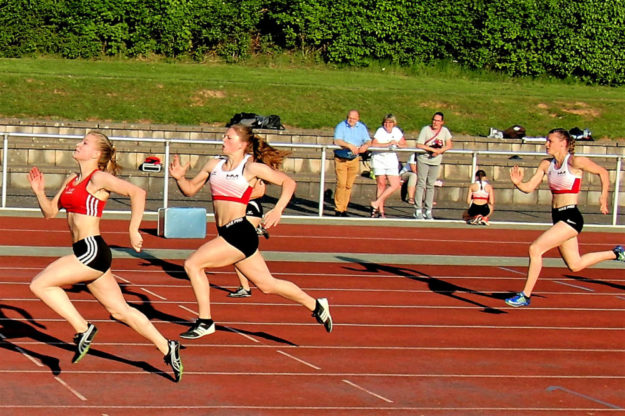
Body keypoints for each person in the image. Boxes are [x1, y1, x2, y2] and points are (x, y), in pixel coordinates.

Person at [27, 131, 183, 382]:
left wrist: (133, 229)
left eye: (85, 143)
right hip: (85, 252)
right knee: (120, 311)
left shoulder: (98, 178)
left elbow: (138, 193)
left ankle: (83, 328)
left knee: (40, 284)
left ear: (96, 154)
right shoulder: (72, 178)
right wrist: (39, 191)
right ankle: (168, 347)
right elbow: (49, 213)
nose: (78, 145)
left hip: (92, 250)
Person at [169, 124, 333, 338]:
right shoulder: (213, 165)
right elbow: (190, 190)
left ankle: (205, 321)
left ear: (242, 145)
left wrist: (278, 209)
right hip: (226, 232)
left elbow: (288, 182)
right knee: (267, 285)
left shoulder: (251, 168)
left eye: (228, 138)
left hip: (239, 232)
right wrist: (180, 178)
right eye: (224, 137)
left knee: (192, 264)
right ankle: (316, 305)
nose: (223, 140)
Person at [505, 128, 624, 307]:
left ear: (563, 143)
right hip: (558, 217)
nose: (546, 144)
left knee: (535, 249)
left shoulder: (575, 161)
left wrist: (603, 197)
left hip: (571, 217)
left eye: (549, 141)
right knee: (575, 265)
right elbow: (529, 188)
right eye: (546, 141)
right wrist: (518, 183)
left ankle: (525, 295)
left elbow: (603, 172)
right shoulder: (546, 164)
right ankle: (617, 253)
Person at [414, 112, 453, 220]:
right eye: (434, 120)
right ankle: (418, 209)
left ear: (442, 122)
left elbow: (449, 144)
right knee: (421, 183)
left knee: (431, 184)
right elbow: (419, 144)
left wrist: (440, 151)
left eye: (437, 121)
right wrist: (432, 150)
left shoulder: (445, 131)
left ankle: (428, 209)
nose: (435, 122)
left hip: (435, 161)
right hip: (424, 159)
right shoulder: (425, 129)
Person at [333, 109, 371, 216]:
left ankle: (344, 208)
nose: (351, 120)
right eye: (350, 118)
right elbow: (337, 140)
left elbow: (368, 140)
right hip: (341, 158)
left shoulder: (361, 127)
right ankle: (338, 208)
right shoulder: (341, 126)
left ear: (358, 119)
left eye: (354, 119)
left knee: (349, 185)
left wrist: (366, 146)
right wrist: (349, 145)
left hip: (354, 159)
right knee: (341, 184)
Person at [369, 114, 407, 218]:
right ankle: (380, 212)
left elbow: (404, 144)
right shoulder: (380, 131)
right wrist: (387, 144)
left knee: (395, 184)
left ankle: (376, 203)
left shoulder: (396, 131)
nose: (387, 124)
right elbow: (374, 144)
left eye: (390, 122)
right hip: (379, 159)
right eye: (386, 122)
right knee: (381, 184)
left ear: (394, 123)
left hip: (391, 161)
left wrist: (399, 145)